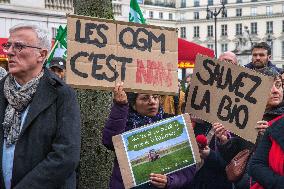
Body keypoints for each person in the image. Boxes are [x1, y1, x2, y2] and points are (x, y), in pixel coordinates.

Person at [0, 24, 81, 189]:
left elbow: (65, 156)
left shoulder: (62, 94)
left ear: (41, 54)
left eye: (19, 46)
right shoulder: (1, 90)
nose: (9, 52)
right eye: (8, 45)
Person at [103, 82, 203, 189]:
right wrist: (120, 106)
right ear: (133, 105)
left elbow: (188, 168)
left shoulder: (173, 123)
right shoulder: (124, 124)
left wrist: (170, 181)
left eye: (155, 97)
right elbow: (110, 142)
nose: (152, 102)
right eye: (145, 98)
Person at [213, 67, 284, 189]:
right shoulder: (244, 116)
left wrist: (272, 135)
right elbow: (234, 155)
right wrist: (224, 141)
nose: (275, 91)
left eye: (278, 85)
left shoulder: (281, 120)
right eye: (268, 87)